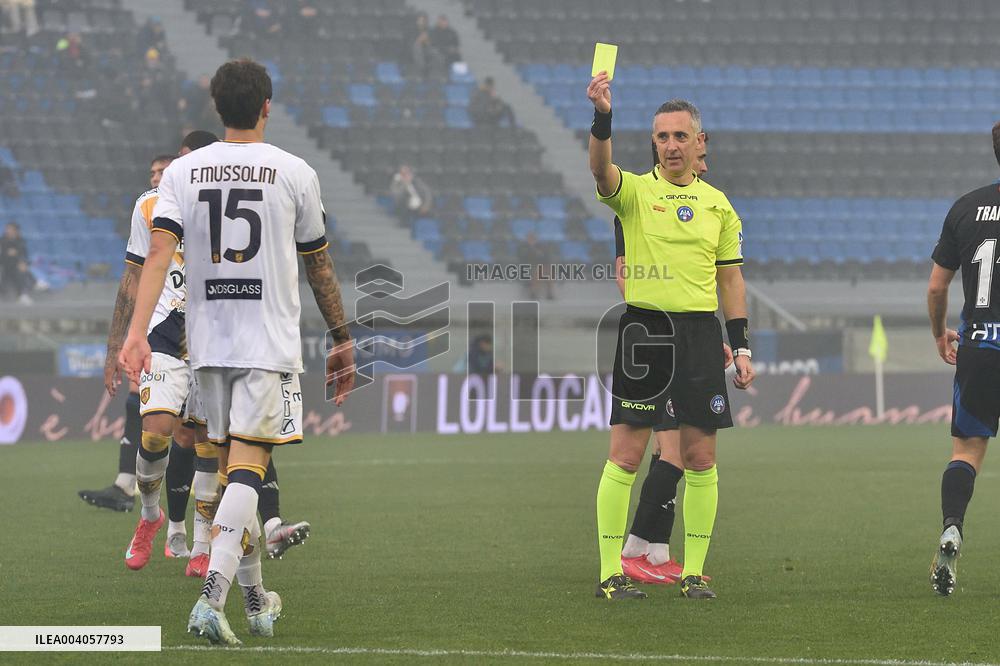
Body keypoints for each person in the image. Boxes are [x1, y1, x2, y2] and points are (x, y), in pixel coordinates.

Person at [120, 58, 355, 645]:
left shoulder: (182, 173)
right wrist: (342, 338)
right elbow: (318, 263)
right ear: (267, 107)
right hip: (265, 341)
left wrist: (135, 332)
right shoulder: (295, 171)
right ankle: (210, 599)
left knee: (229, 478)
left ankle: (256, 602)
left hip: (205, 345)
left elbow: (157, 255)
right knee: (246, 471)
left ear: (217, 107)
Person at [588, 70, 755, 600]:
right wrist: (602, 116)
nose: (671, 145)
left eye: (681, 135)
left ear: (699, 141)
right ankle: (610, 572)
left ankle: (693, 574)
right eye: (661, 136)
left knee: (701, 457)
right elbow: (599, 167)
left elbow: (730, 277)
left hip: (702, 337)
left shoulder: (720, 206)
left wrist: (742, 342)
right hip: (647, 335)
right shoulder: (635, 192)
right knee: (626, 455)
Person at [613, 135, 733, 585]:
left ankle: (655, 549)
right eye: (700, 155)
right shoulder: (639, 201)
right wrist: (658, 321)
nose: (702, 162)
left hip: (692, 342)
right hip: (655, 343)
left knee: (674, 453)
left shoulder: (707, 204)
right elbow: (624, 272)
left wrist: (704, 337)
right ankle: (635, 546)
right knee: (673, 454)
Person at [79, 153, 178, 515]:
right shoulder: (148, 208)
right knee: (139, 400)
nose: (154, 179)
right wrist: (118, 343)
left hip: (200, 326)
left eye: (162, 172)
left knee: (191, 428)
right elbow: (133, 277)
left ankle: (201, 514)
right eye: (152, 172)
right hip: (158, 326)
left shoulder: (202, 206)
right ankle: (128, 486)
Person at [926, 121, 1000, 597]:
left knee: (966, 452)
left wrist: (939, 333)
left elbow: (937, 286)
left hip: (979, 346)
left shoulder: (967, 207)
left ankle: (952, 526)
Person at [0, 222, 35, 304]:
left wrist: (22, 262)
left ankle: (23, 294)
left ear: (16, 231)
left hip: (15, 266)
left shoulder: (21, 241)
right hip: (4, 265)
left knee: (22, 269)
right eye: (7, 229)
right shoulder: (2, 240)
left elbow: (23, 254)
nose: (8, 231)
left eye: (10, 229)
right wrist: (7, 253)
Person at [517, 232, 553, 300]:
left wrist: (540, 254)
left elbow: (546, 258)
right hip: (527, 267)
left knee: (548, 271)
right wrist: (532, 250)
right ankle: (533, 292)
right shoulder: (522, 246)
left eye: (533, 239)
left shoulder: (541, 246)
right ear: (526, 239)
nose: (531, 240)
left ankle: (549, 293)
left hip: (540, 266)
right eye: (530, 239)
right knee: (536, 272)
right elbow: (522, 257)